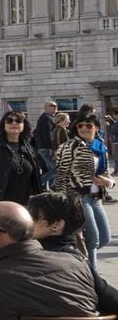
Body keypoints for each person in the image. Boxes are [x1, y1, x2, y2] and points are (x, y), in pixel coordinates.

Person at [26, 192, 118, 315]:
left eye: (33, 217)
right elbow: (111, 299)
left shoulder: (24, 255)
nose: (26, 222)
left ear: (57, 225)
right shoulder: (78, 261)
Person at [53, 114, 112, 271]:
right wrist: (64, 200)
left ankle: (76, 258)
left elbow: (105, 172)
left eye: (89, 125)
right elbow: (61, 174)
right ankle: (93, 278)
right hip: (77, 195)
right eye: (80, 126)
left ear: (96, 128)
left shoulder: (101, 146)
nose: (84, 128)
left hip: (95, 196)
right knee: (93, 240)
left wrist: (109, 183)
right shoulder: (70, 146)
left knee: (105, 238)